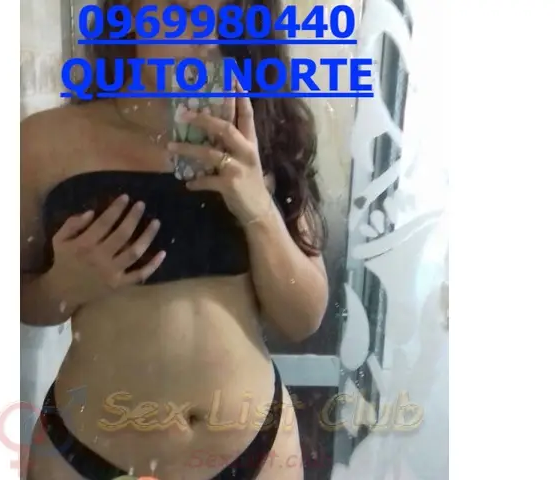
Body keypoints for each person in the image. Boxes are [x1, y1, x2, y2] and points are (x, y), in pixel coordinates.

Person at [20, 0, 328, 478]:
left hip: (255, 451)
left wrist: (258, 208)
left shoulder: (264, 136)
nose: (204, 31)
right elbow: (18, 299)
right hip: (85, 453)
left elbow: (303, 317)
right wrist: (64, 284)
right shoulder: (43, 143)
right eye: (181, 9)